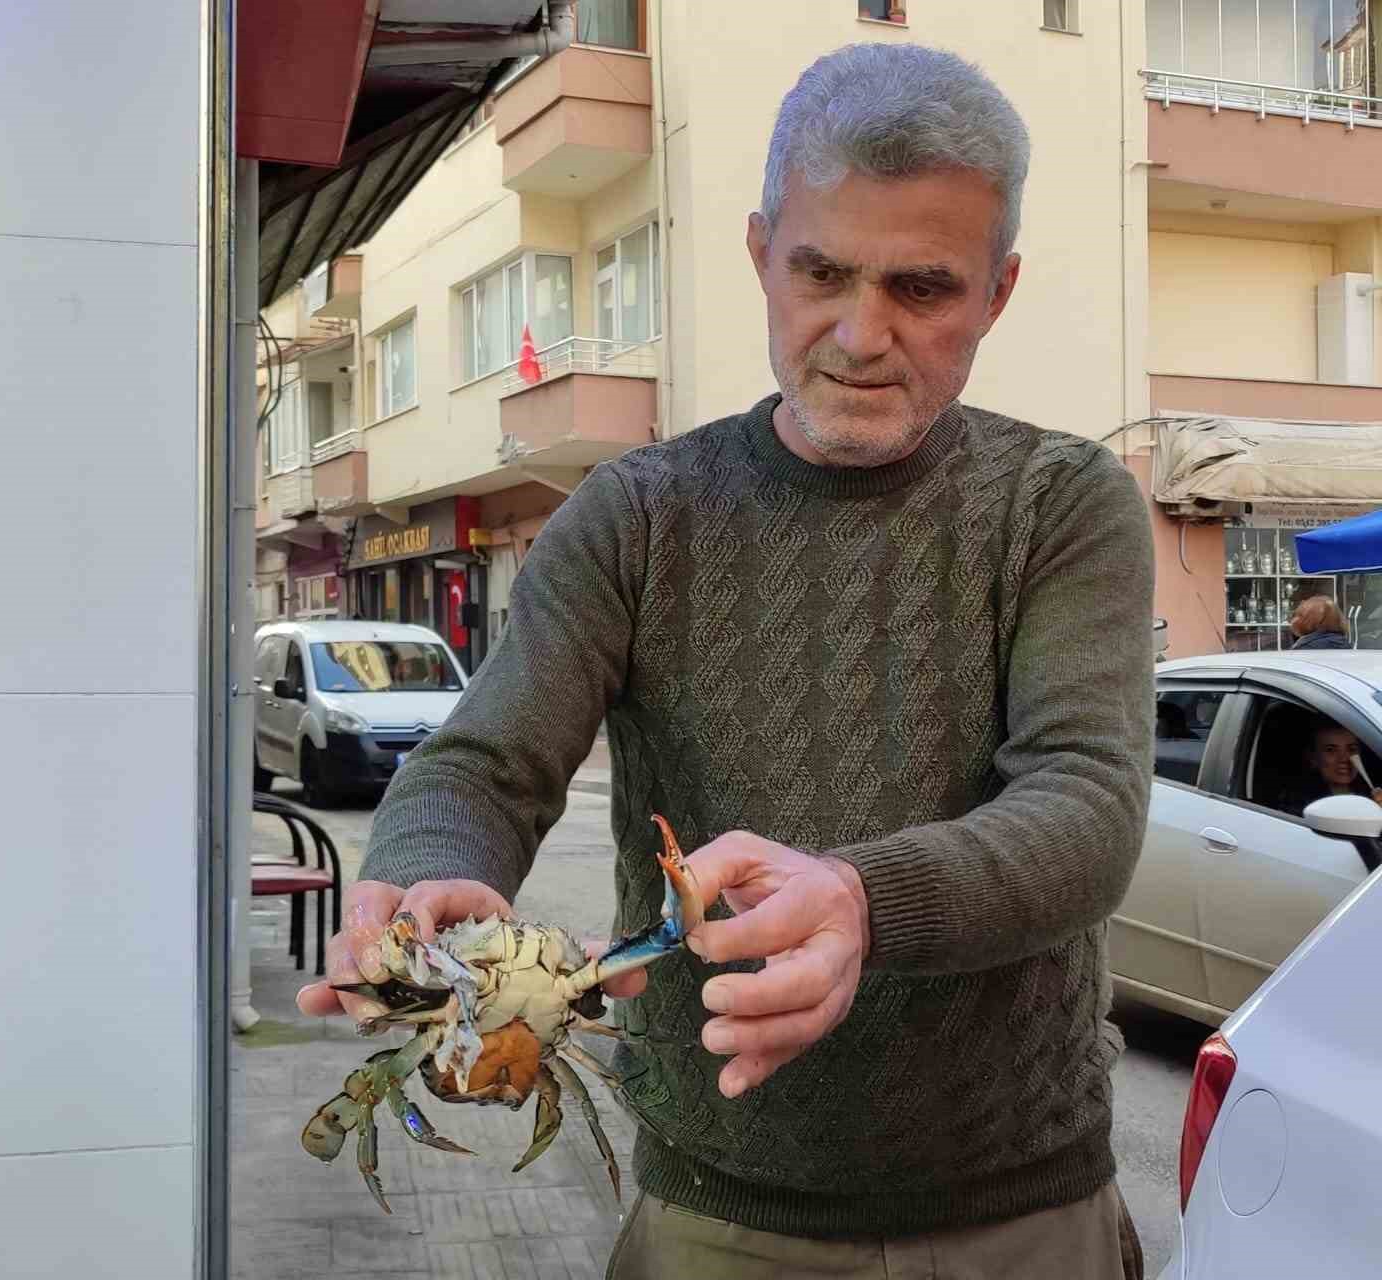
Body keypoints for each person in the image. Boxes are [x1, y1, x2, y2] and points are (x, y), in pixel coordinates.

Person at [299, 42, 1154, 1280]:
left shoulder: (1063, 502)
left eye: (922, 287)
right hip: (717, 1217)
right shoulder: (635, 514)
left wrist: (861, 899)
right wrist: (433, 875)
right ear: (761, 253)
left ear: (998, 289)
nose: (861, 334)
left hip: (1017, 1215)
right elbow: (484, 763)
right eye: (821, 272)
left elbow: (1088, 805)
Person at [1277, 719, 1382, 817]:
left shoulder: (1372, 793)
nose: (1344, 758)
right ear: (1313, 758)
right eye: (1331, 750)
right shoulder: (1298, 801)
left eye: (1351, 749)